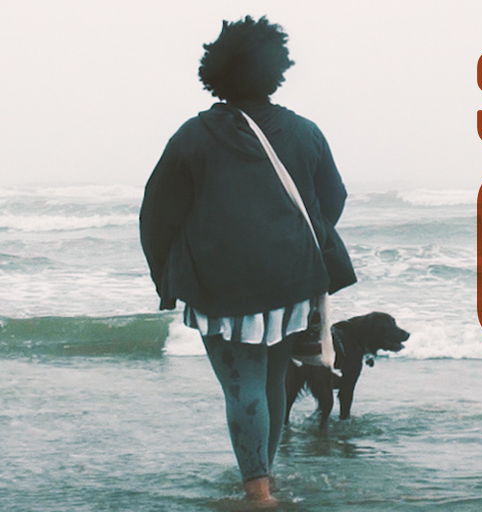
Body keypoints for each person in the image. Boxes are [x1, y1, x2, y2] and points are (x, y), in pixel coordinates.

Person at [139, 16, 356, 506]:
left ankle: (257, 490)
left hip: (220, 287)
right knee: (275, 380)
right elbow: (333, 199)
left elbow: (157, 214)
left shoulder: (193, 137)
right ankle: (265, 477)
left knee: (243, 385)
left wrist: (165, 278)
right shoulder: (304, 132)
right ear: (275, 71)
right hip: (291, 281)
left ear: (214, 71)